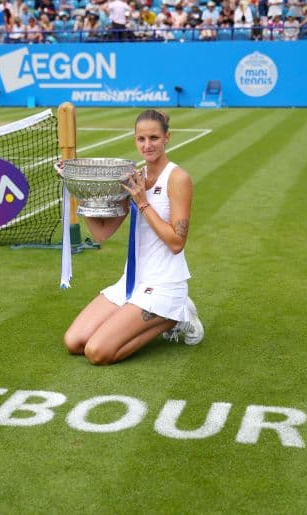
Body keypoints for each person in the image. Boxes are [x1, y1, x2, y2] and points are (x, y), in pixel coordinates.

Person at [63, 110, 204, 366]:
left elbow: (176, 243)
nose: (147, 145)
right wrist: (80, 189)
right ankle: (157, 316)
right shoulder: (134, 178)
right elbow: (102, 233)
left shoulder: (178, 178)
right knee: (74, 342)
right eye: (141, 139)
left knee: (97, 352)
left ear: (167, 138)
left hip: (164, 285)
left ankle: (175, 315)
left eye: (154, 138)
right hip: (132, 283)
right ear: (135, 140)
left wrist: (143, 202)